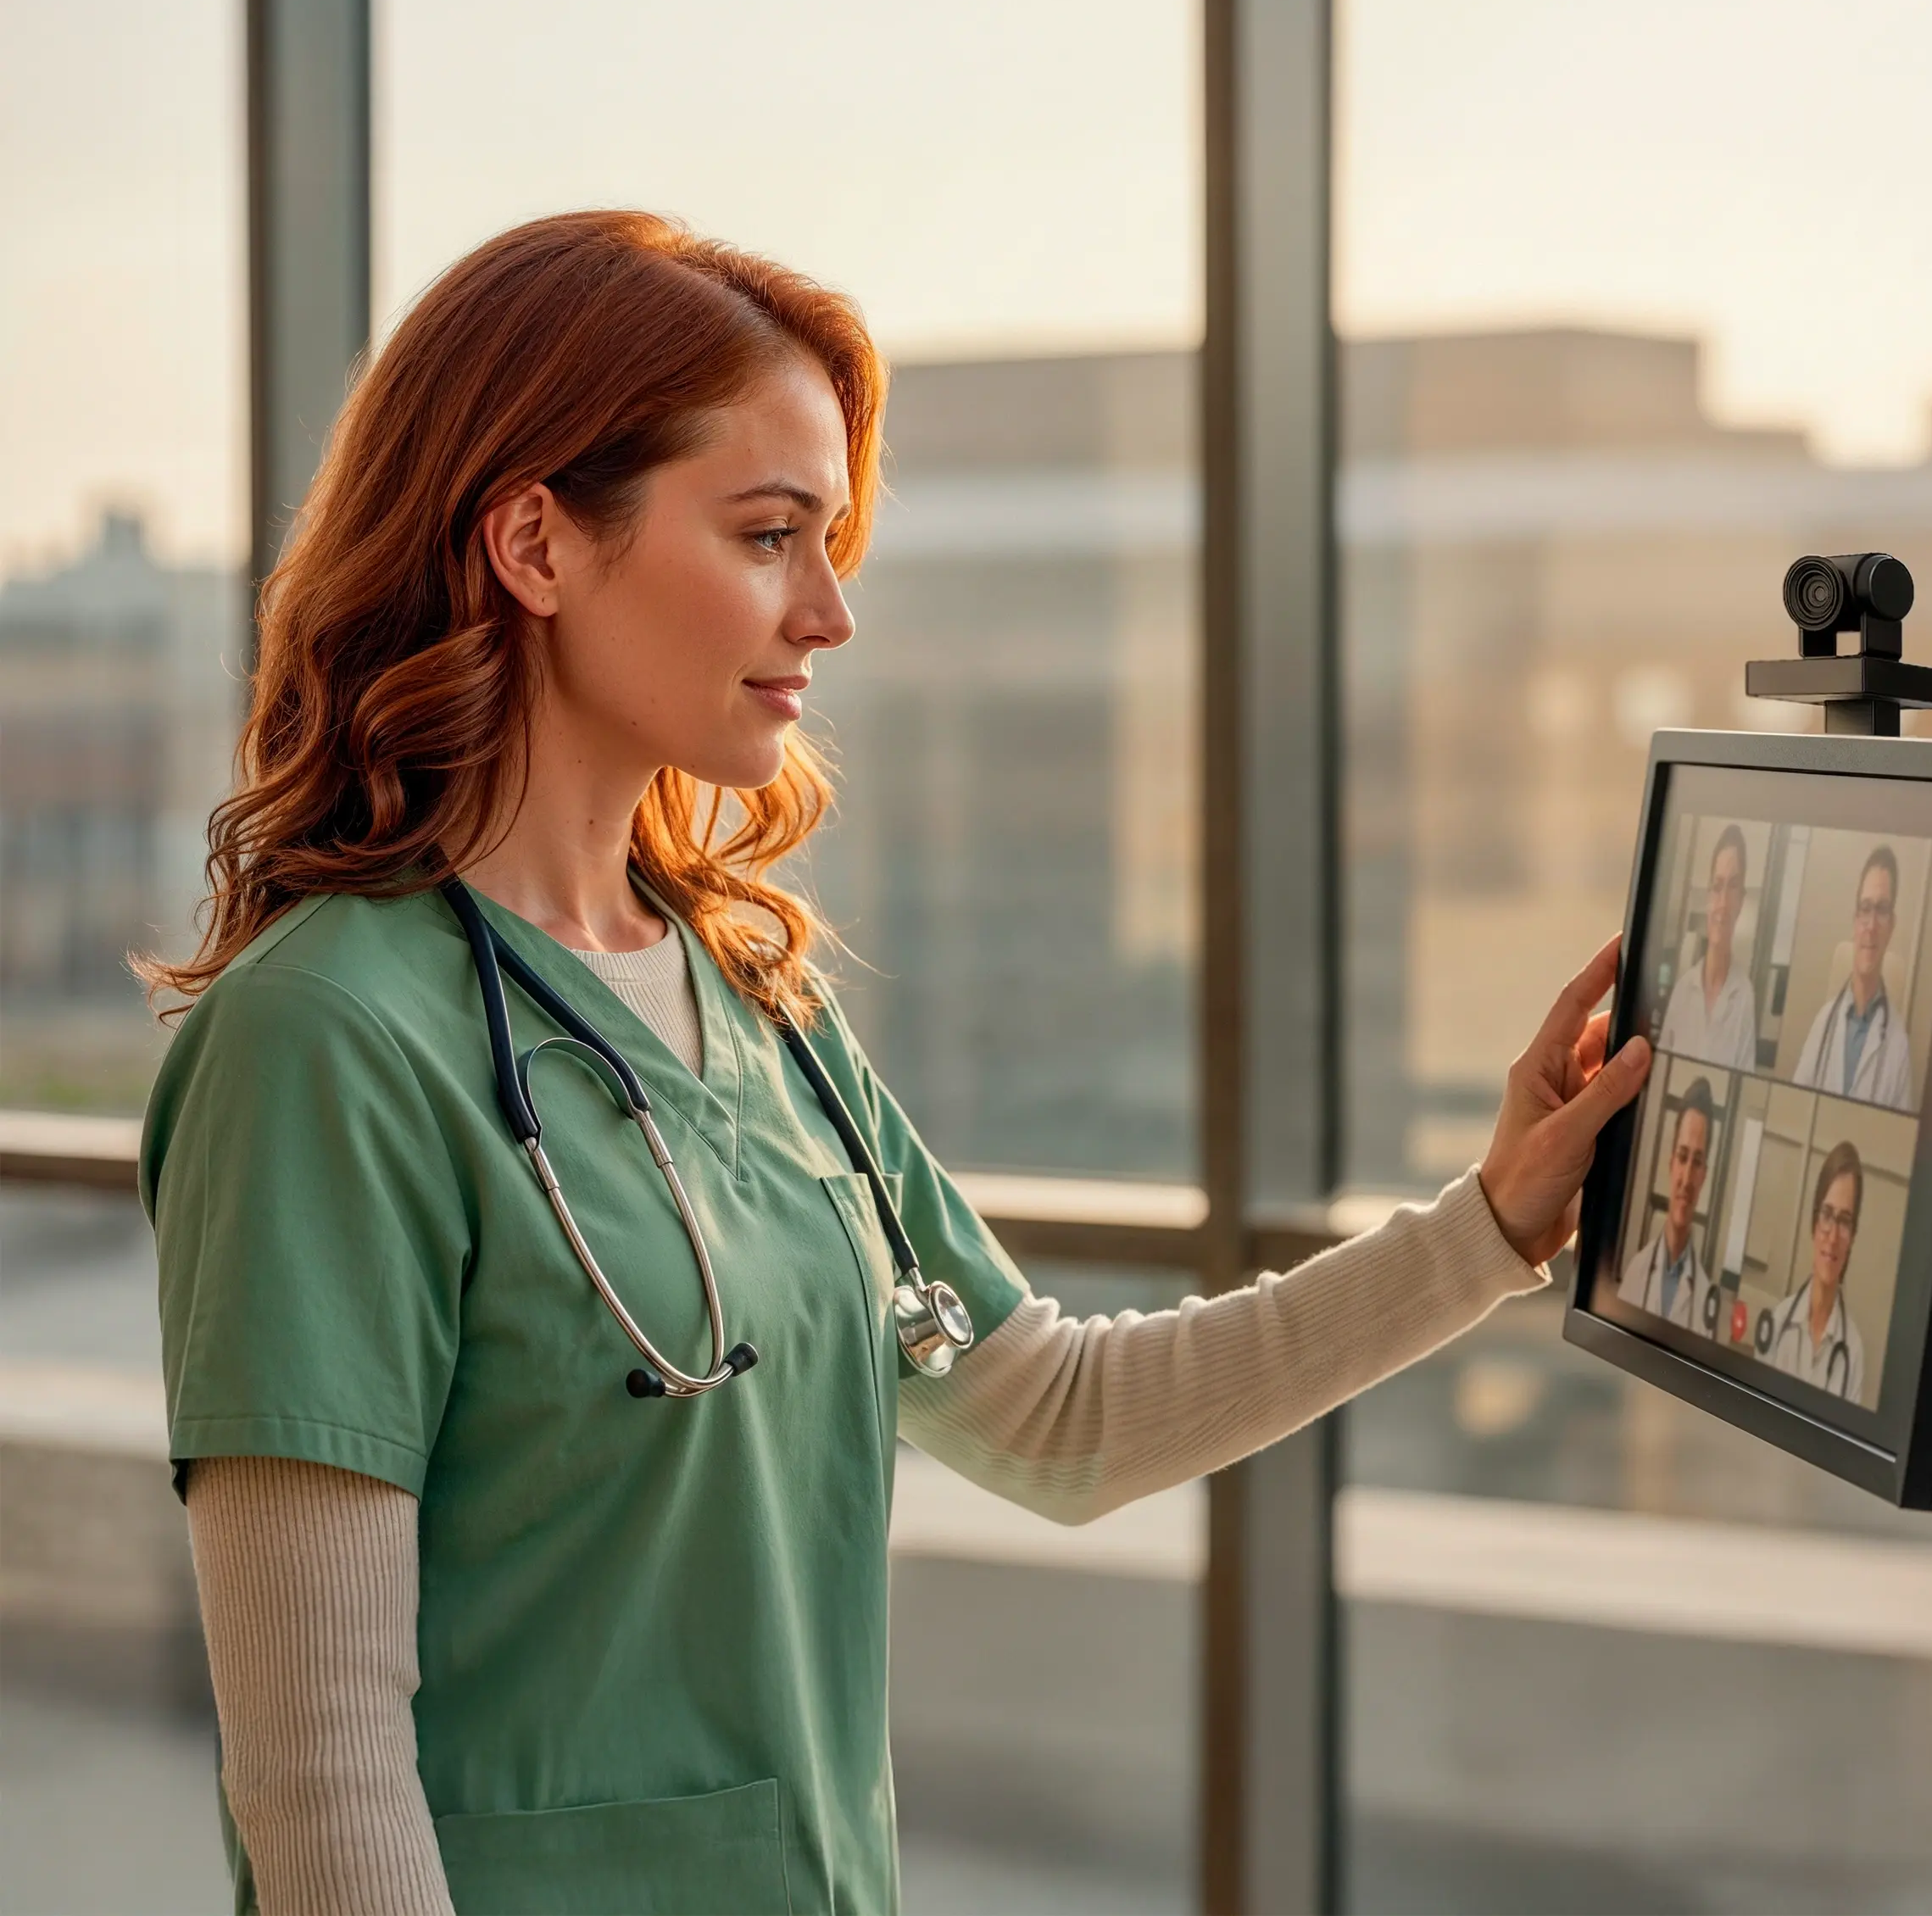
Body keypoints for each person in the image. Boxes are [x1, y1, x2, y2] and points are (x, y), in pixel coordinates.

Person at [140, 212, 1654, 1916]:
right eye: (769, 533)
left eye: (832, 540)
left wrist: (1489, 1226)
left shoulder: (744, 990)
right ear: (534, 542)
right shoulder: (326, 1038)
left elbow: (1054, 1418)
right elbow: (321, 1772)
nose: (832, 610)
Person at [1790, 844, 1916, 1111]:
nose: (1871, 926)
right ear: (1854, 921)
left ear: (1892, 925)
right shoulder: (1823, 1023)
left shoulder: (1898, 1045)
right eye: (1865, 909)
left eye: (1882, 910)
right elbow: (1796, 1105)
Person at [1762, 1141, 1868, 1402]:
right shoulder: (1777, 1323)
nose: (1832, 1237)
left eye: (1844, 1221)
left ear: (1853, 1236)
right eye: (1827, 1215)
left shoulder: (1852, 1351)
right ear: (1814, 1221)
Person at [1616, 1075, 1716, 1334]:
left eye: (1697, 1161)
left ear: (1705, 1173)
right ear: (1671, 1163)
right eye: (1683, 1157)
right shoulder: (1636, 1272)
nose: (1687, 1178)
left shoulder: (1706, 1299)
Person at [1659, 823, 1757, 1070]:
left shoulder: (1744, 998)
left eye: (1733, 887)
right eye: (1717, 887)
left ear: (1741, 901)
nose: (1723, 903)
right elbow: (1660, 1071)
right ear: (1708, 899)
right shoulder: (1683, 990)